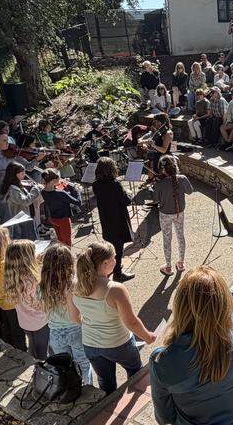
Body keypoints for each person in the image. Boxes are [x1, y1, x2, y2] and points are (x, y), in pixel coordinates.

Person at [150, 266, 233, 425]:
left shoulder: (162, 360)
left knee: (179, 422)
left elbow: (164, 417)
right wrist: (218, 288)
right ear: (221, 303)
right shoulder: (230, 336)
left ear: (180, 306)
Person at [74, 242, 157, 393]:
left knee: (105, 381)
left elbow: (74, 316)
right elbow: (131, 322)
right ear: (104, 263)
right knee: (135, 373)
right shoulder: (114, 289)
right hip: (118, 343)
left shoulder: (75, 286)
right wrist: (148, 336)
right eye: (114, 258)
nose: (116, 261)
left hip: (90, 344)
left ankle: (108, 407)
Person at [39, 244, 92, 385]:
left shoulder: (42, 286)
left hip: (55, 333)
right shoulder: (71, 285)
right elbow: (75, 316)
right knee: (83, 365)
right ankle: (88, 391)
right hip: (75, 330)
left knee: (64, 367)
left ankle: (71, 389)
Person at [90, 157, 134, 282]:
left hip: (106, 219)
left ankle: (112, 268)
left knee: (110, 246)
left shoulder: (96, 185)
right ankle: (118, 274)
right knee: (118, 249)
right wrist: (128, 194)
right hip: (118, 220)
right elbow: (125, 201)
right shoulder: (115, 184)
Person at [3, 239, 49, 359]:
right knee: (42, 352)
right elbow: (41, 304)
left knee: (32, 345)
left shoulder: (11, 276)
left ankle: (33, 364)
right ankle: (41, 370)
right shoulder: (33, 280)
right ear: (27, 258)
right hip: (40, 322)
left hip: (24, 321)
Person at [153, 156, 193, 275]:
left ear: (162, 169)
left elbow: (155, 200)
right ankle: (181, 263)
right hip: (179, 212)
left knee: (167, 239)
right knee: (180, 236)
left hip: (165, 214)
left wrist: (155, 187)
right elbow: (190, 191)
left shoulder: (160, 183)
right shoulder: (182, 178)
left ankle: (168, 267)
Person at [40, 170, 81, 246]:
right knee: (67, 242)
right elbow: (78, 202)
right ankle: (67, 256)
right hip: (63, 219)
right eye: (58, 178)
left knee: (60, 240)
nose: (60, 180)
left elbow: (56, 195)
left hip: (53, 219)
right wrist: (76, 190)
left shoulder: (43, 191)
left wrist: (66, 186)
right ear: (53, 181)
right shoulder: (61, 193)